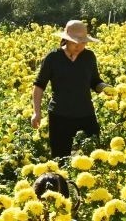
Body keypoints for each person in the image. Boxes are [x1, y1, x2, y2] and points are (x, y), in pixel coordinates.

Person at [32, 20, 104, 159]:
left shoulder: (89, 57)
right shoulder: (53, 58)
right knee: (60, 158)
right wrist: (36, 112)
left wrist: (106, 88)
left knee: (93, 156)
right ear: (65, 39)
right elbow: (39, 85)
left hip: (86, 114)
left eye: (83, 42)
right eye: (75, 42)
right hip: (60, 116)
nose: (79, 46)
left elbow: (95, 81)